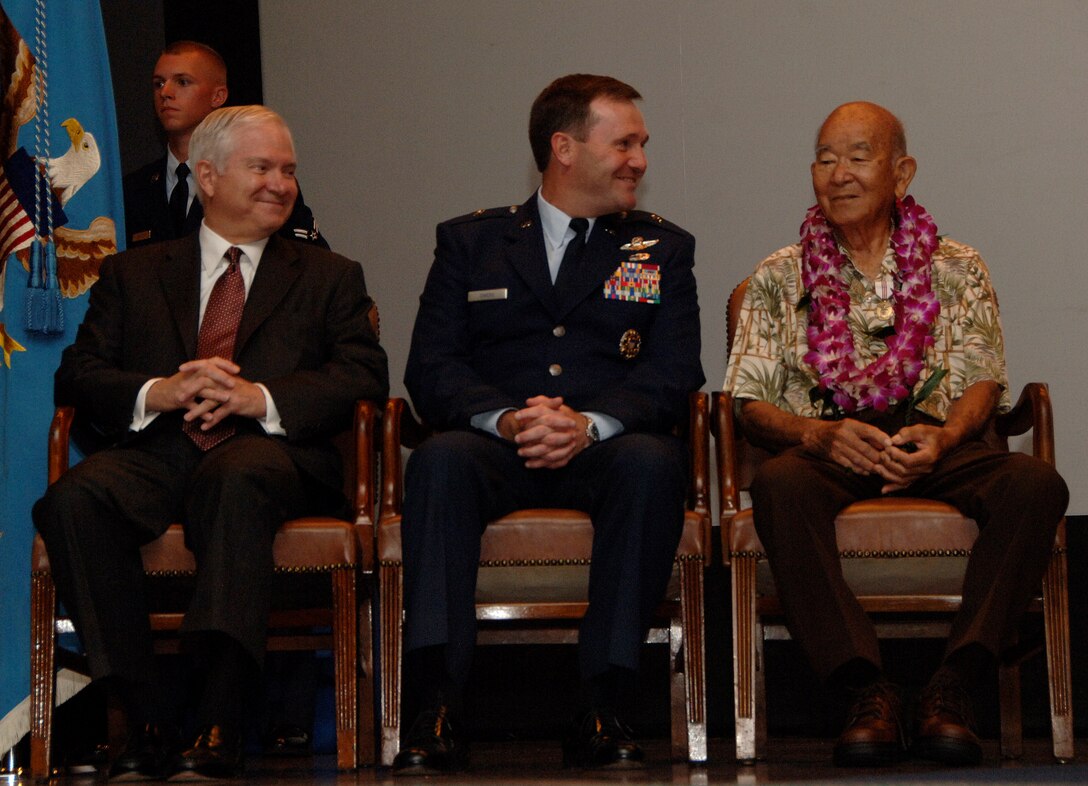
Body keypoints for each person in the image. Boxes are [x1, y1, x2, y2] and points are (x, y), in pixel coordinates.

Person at [33, 105, 389, 780]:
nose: (280, 184)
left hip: (271, 455)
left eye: (288, 170)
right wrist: (160, 391)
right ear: (207, 176)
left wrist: (260, 399)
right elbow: (79, 375)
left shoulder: (328, 274)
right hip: (159, 451)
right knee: (74, 501)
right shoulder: (135, 272)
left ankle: (219, 714)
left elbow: (362, 374)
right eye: (262, 168)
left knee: (235, 477)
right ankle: (144, 717)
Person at [724, 101, 1068, 768]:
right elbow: (749, 405)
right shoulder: (777, 276)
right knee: (780, 484)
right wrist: (818, 436)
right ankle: (865, 689)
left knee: (1035, 485)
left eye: (858, 157)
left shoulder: (957, 265)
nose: (839, 174)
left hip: (938, 442)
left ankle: (955, 684)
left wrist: (945, 438)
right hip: (830, 444)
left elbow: (983, 380)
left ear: (901, 173)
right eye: (825, 159)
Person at [393, 73, 704, 775]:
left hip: (604, 447)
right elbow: (432, 365)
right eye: (623, 144)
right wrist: (506, 419)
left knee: (653, 463)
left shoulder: (662, 249)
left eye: (642, 145)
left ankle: (604, 700)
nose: (639, 161)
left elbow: (673, 370)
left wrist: (589, 425)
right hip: (497, 445)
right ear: (564, 148)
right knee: (439, 461)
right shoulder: (472, 242)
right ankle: (435, 704)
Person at [123, 40, 326, 249]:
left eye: (182, 82)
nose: (165, 92)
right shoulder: (134, 189)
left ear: (218, 96)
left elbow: (306, 260)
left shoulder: (256, 181)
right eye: (159, 83)